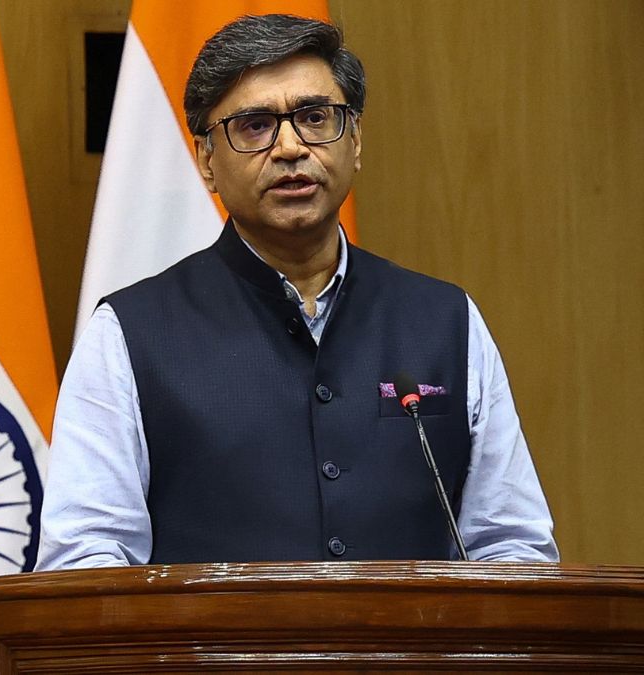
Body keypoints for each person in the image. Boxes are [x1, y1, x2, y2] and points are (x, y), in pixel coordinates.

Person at [36, 14, 558, 569]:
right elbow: (87, 561)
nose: (290, 147)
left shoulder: (446, 321)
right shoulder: (129, 334)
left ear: (354, 140)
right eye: (254, 125)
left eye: (315, 117)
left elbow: (513, 548)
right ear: (207, 162)